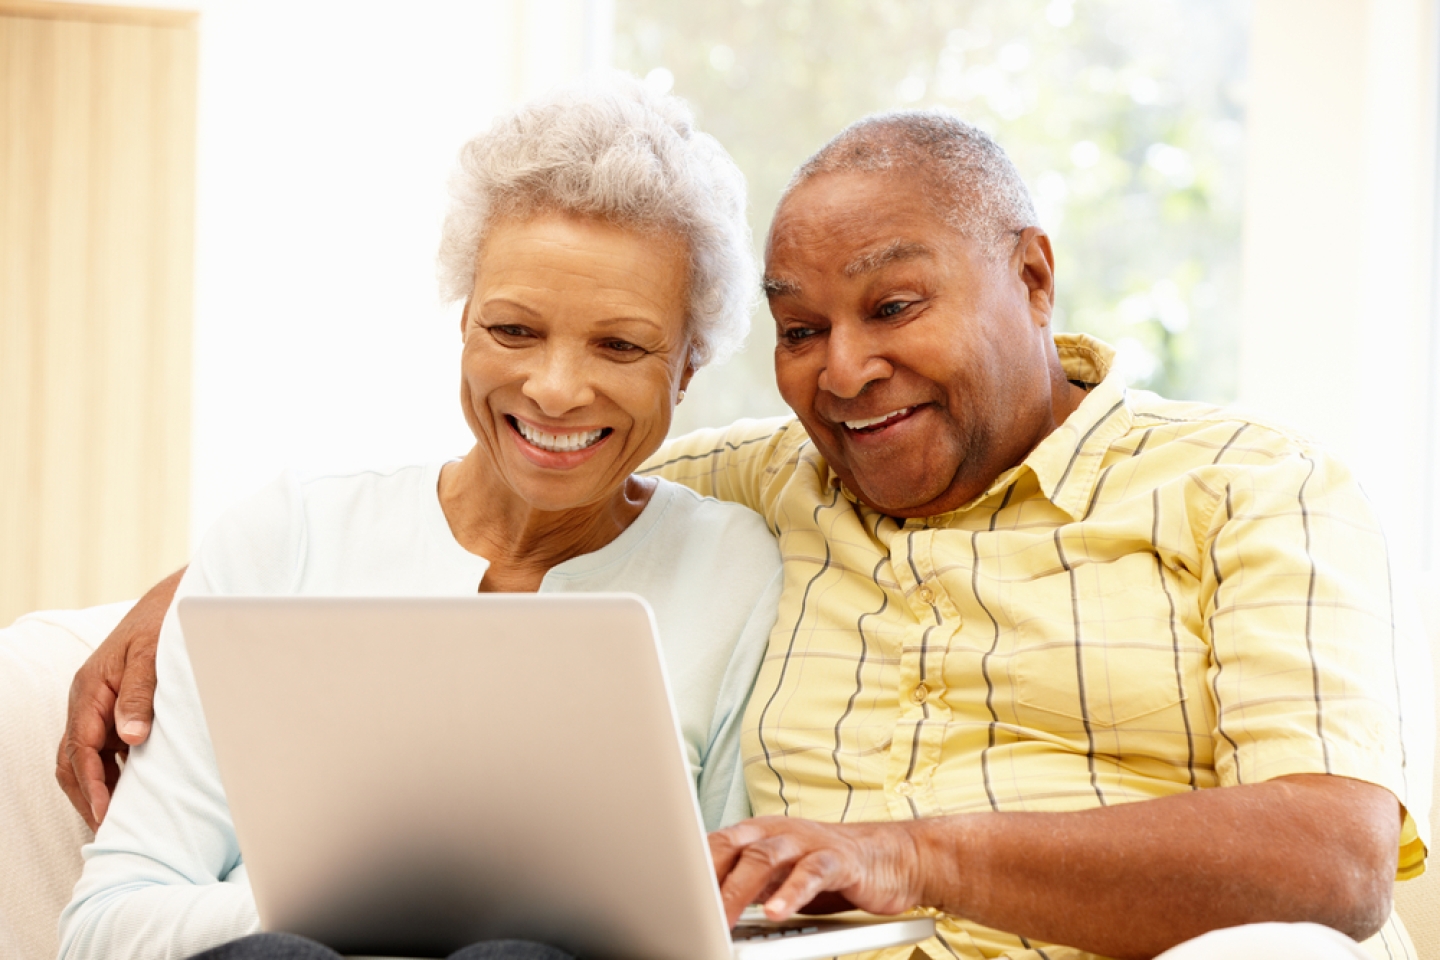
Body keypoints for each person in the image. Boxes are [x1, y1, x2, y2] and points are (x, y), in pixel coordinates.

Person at [61, 112, 1432, 960]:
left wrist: (913, 855)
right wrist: (186, 600)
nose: (842, 372)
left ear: (1030, 276)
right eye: (798, 330)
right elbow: (538, 466)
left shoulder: (1251, 484)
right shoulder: (772, 481)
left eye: (895, 308)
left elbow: (1336, 863)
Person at [55, 76, 782, 960]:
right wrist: (334, 906)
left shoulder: (735, 567)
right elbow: (102, 926)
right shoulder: (290, 535)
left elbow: (723, 927)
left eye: (621, 345)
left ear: (690, 366)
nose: (554, 389)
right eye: (513, 330)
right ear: (464, 323)